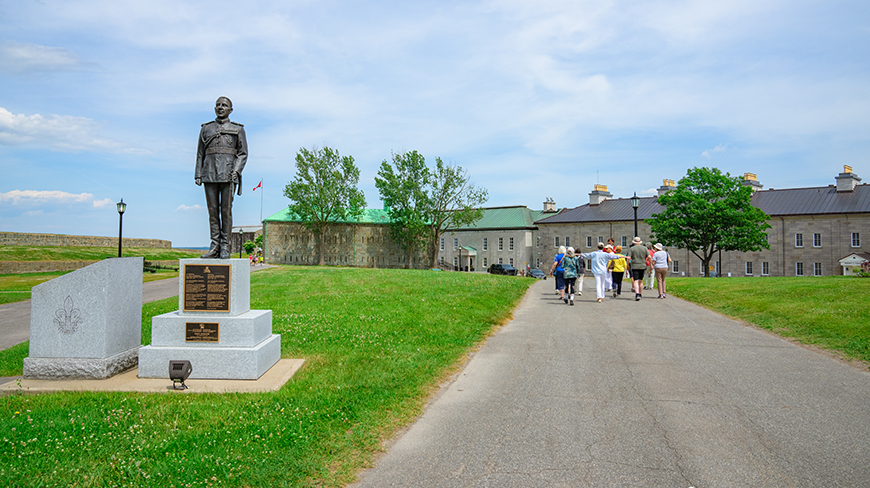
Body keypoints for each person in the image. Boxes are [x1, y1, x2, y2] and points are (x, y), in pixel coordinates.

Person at [195, 96, 247, 259]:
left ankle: (225, 246)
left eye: (224, 105)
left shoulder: (238, 129)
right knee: (212, 211)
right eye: (218, 105)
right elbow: (200, 153)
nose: (220, 107)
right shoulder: (206, 128)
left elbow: (242, 153)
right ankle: (214, 246)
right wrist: (198, 174)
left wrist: (237, 171)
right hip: (209, 172)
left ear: (230, 110)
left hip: (228, 174)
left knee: (226, 211)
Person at [627, 236, 648, 301]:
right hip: (642, 265)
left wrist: (628, 265)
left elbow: (629, 258)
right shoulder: (644, 248)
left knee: (636, 280)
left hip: (635, 265)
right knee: (641, 280)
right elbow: (649, 256)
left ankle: (637, 293)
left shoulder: (632, 249)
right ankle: (640, 294)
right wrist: (650, 264)